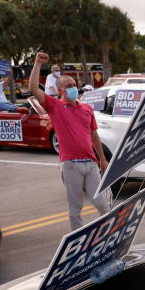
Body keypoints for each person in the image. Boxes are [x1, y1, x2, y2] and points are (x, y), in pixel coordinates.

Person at [28, 52, 111, 231]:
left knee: (102, 203)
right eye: (68, 86)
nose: (73, 87)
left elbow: (94, 135)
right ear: (60, 91)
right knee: (75, 208)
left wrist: (103, 159)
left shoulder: (86, 108)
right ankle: (78, 241)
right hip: (70, 165)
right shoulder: (55, 106)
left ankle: (108, 235)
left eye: (74, 84)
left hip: (91, 163)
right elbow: (34, 88)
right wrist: (37, 64)